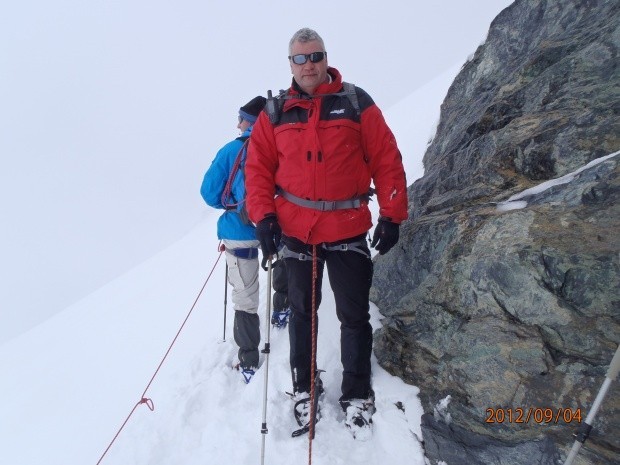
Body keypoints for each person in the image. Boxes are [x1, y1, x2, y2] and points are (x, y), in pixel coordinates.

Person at [245, 28, 408, 438]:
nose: (309, 64)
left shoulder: (355, 103)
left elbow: (386, 157)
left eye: (315, 55)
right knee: (302, 313)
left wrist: (392, 214)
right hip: (297, 231)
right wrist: (264, 218)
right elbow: (259, 169)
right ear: (290, 64)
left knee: (353, 315)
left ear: (325, 57)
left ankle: (356, 393)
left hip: (348, 227)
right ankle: (305, 387)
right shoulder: (275, 111)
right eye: (300, 58)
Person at [200, 95, 267, 384]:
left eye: (240, 118)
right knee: (287, 265)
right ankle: (284, 307)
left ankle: (249, 359)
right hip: (279, 226)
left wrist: (234, 204)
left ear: (249, 121)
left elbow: (209, 193)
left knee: (245, 298)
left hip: (239, 232)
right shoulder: (280, 145)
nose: (237, 123)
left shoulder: (232, 150)